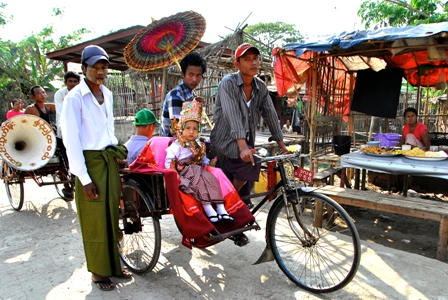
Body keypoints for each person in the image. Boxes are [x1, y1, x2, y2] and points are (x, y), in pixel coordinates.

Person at [60, 45, 130, 292]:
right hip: (88, 165)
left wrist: (117, 154)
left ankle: (112, 265)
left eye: (103, 67)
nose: (100, 71)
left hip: (107, 161)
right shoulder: (74, 98)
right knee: (95, 221)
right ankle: (98, 273)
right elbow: (71, 141)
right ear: (84, 68)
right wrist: (84, 178)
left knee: (111, 216)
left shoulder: (107, 94)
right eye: (95, 67)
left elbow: (107, 130)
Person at [210, 43, 289, 206]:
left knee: (244, 201)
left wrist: (282, 145)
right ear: (237, 65)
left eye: (255, 59)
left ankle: (233, 204)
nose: (253, 63)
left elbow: (270, 114)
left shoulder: (260, 87)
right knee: (252, 161)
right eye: (247, 59)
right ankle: (228, 197)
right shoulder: (228, 83)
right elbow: (233, 116)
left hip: (244, 144)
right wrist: (242, 146)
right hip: (225, 143)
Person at [165, 99, 233, 223]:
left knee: (211, 179)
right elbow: (169, 160)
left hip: (199, 169)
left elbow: (203, 158)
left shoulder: (198, 144)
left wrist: (207, 165)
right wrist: (173, 173)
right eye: (188, 128)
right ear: (182, 128)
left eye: (195, 129)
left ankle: (221, 208)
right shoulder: (177, 144)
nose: (191, 132)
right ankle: (208, 209)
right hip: (185, 171)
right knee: (199, 184)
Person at [160, 51, 206, 136]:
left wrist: (198, 108)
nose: (195, 79)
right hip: (174, 144)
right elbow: (178, 130)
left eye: (198, 75)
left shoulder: (192, 96)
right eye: (191, 74)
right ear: (183, 74)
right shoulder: (176, 96)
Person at [55, 71, 81, 140]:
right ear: (65, 82)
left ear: (78, 83)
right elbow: (61, 112)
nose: (73, 84)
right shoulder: (59, 94)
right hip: (65, 126)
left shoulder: (82, 94)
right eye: (70, 81)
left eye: (75, 81)